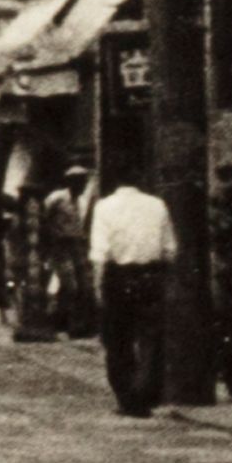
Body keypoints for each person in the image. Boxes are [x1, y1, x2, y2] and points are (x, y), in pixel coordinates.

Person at [88, 181, 178, 417]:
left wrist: (97, 286)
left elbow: (100, 252)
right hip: (150, 276)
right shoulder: (157, 205)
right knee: (150, 336)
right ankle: (145, 391)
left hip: (118, 277)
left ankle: (127, 397)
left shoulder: (104, 207)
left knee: (118, 340)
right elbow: (170, 250)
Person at [46, 166, 97, 341]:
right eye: (79, 181)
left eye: (84, 181)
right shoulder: (56, 198)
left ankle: (78, 324)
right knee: (70, 284)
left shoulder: (82, 202)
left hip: (78, 244)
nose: (82, 185)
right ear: (70, 181)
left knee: (85, 284)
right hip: (60, 244)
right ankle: (61, 322)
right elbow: (44, 218)